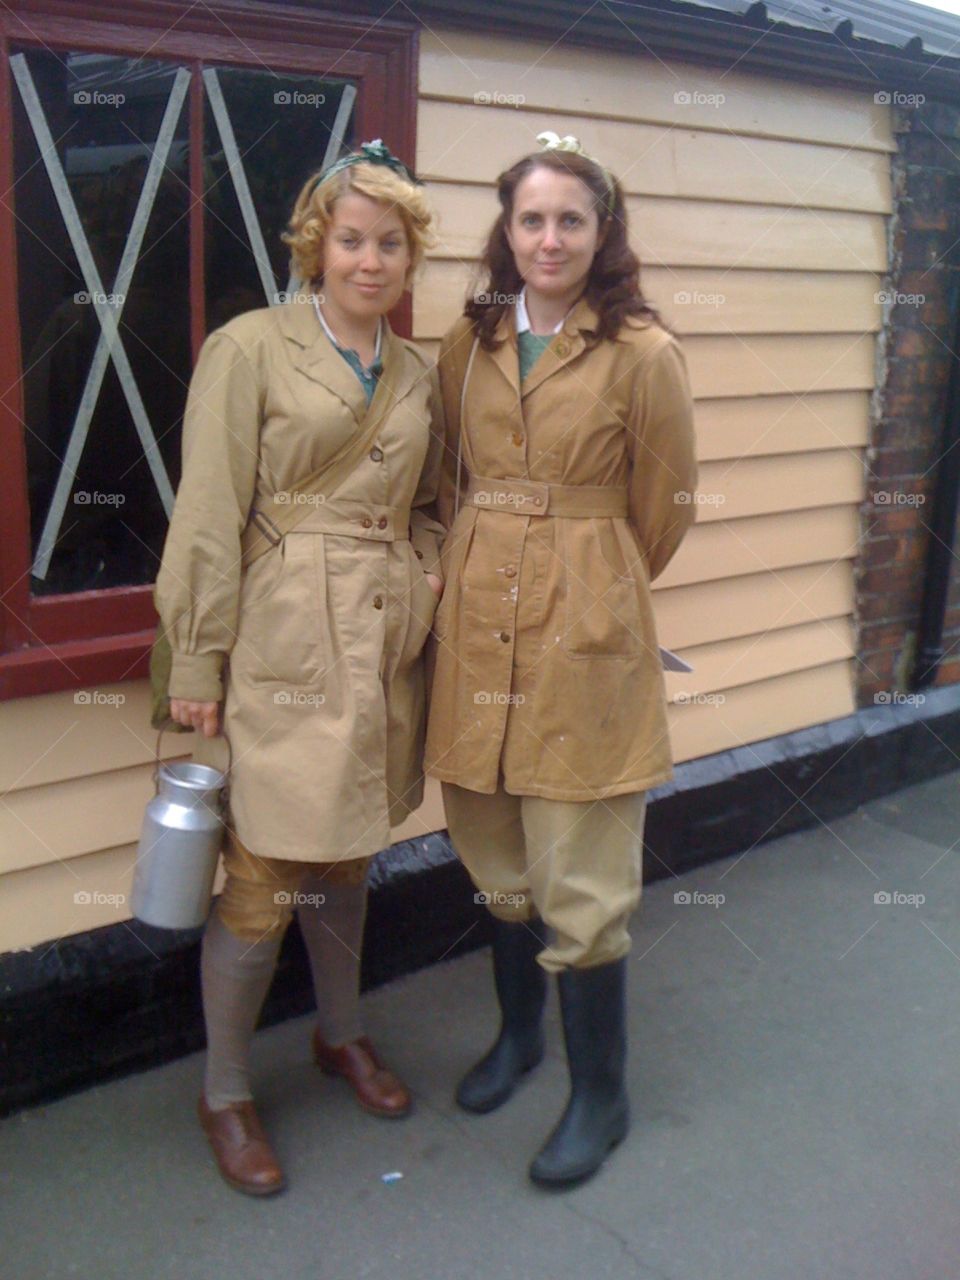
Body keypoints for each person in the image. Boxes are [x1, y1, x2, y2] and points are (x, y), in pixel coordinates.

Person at [154, 140, 444, 1196]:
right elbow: (208, 507)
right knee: (265, 873)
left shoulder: (420, 372)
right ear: (316, 244)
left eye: (393, 244)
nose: (371, 261)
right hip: (280, 638)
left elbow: (430, 508)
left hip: (379, 648)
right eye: (353, 239)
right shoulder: (251, 347)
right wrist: (197, 649)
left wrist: (426, 578)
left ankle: (339, 1033)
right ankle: (226, 1090)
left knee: (346, 856)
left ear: (413, 259)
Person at [425, 132, 698, 1188]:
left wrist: (590, 574)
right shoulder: (472, 338)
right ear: (507, 228)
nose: (548, 238)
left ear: (602, 232)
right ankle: (518, 1037)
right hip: (478, 611)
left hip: (585, 620)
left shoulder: (643, 351)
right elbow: (449, 471)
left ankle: (602, 1092)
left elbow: (662, 511)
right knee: (493, 843)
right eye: (530, 218)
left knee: (579, 864)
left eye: (570, 220)